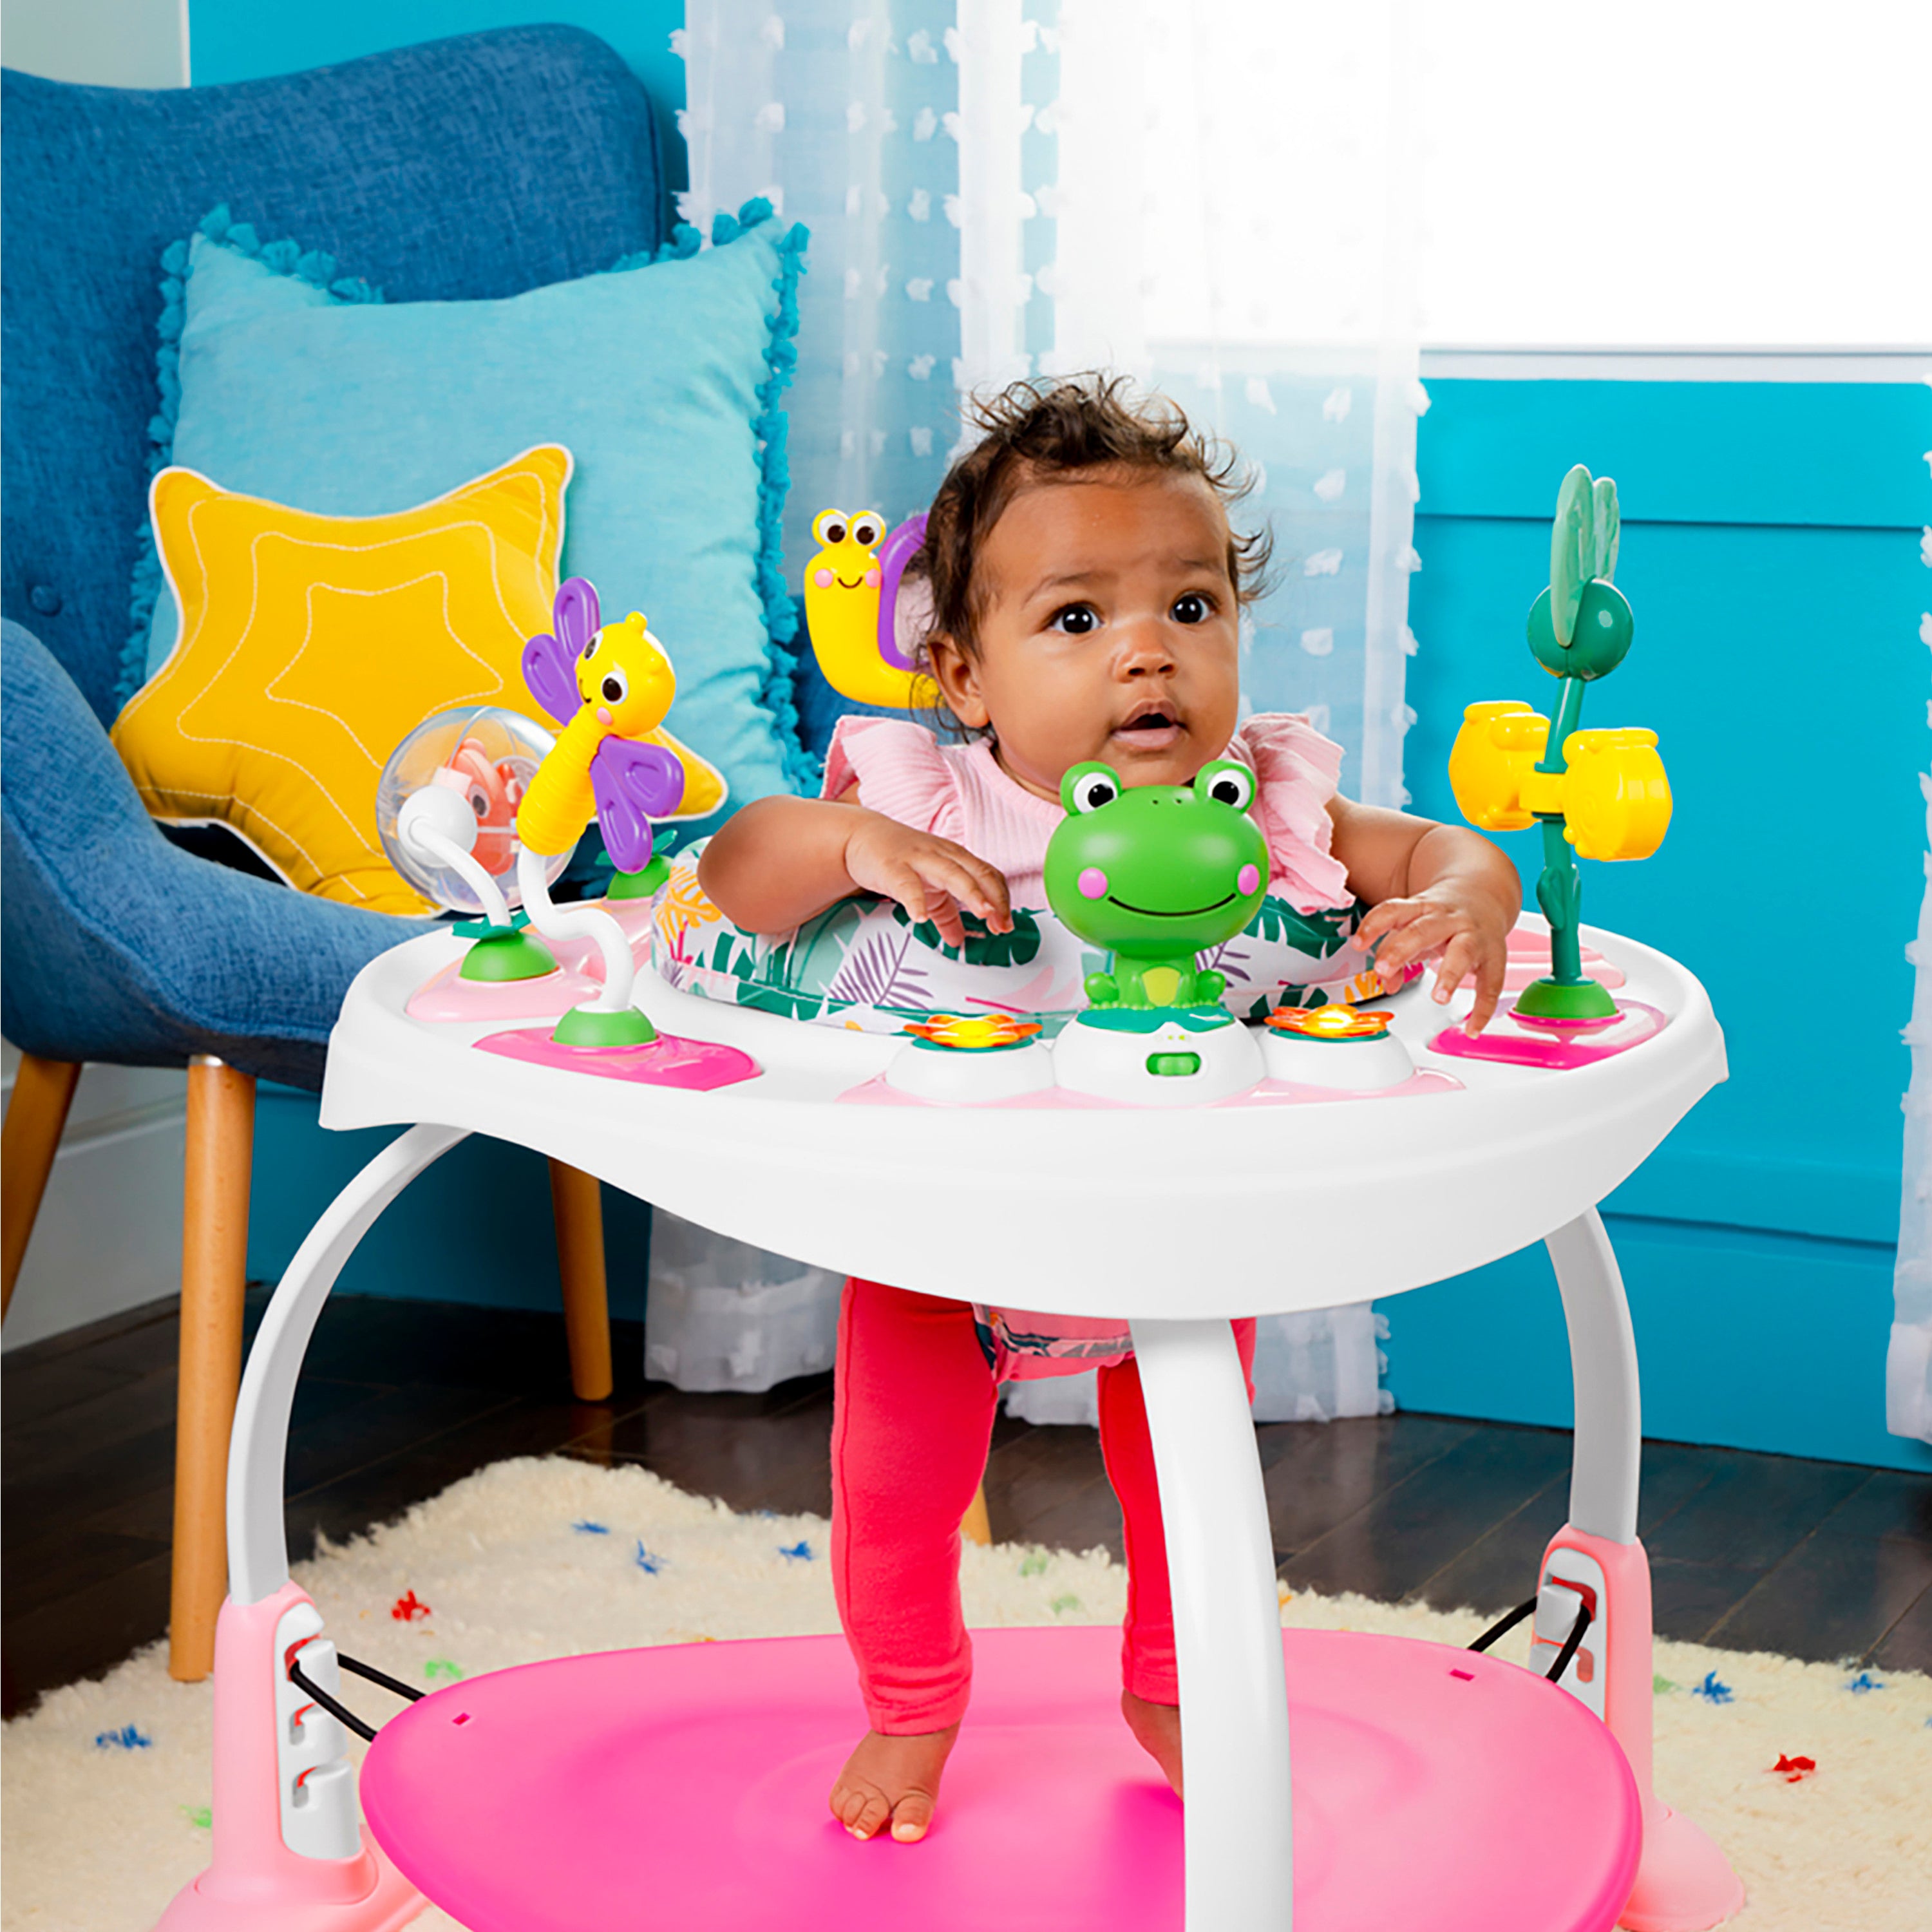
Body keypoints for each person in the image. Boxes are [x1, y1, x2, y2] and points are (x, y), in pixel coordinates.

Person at [699, 376, 1521, 1842]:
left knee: (1191, 1493)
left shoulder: (1263, 805)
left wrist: (1464, 904)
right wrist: (861, 848)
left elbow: (1441, 853)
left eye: (1190, 607)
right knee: (896, 1499)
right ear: (965, 676)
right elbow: (738, 869)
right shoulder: (932, 800)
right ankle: (910, 1703)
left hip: (1180, 1235)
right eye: (1077, 618)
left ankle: (1171, 1688)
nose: (1148, 650)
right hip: (941, 1248)